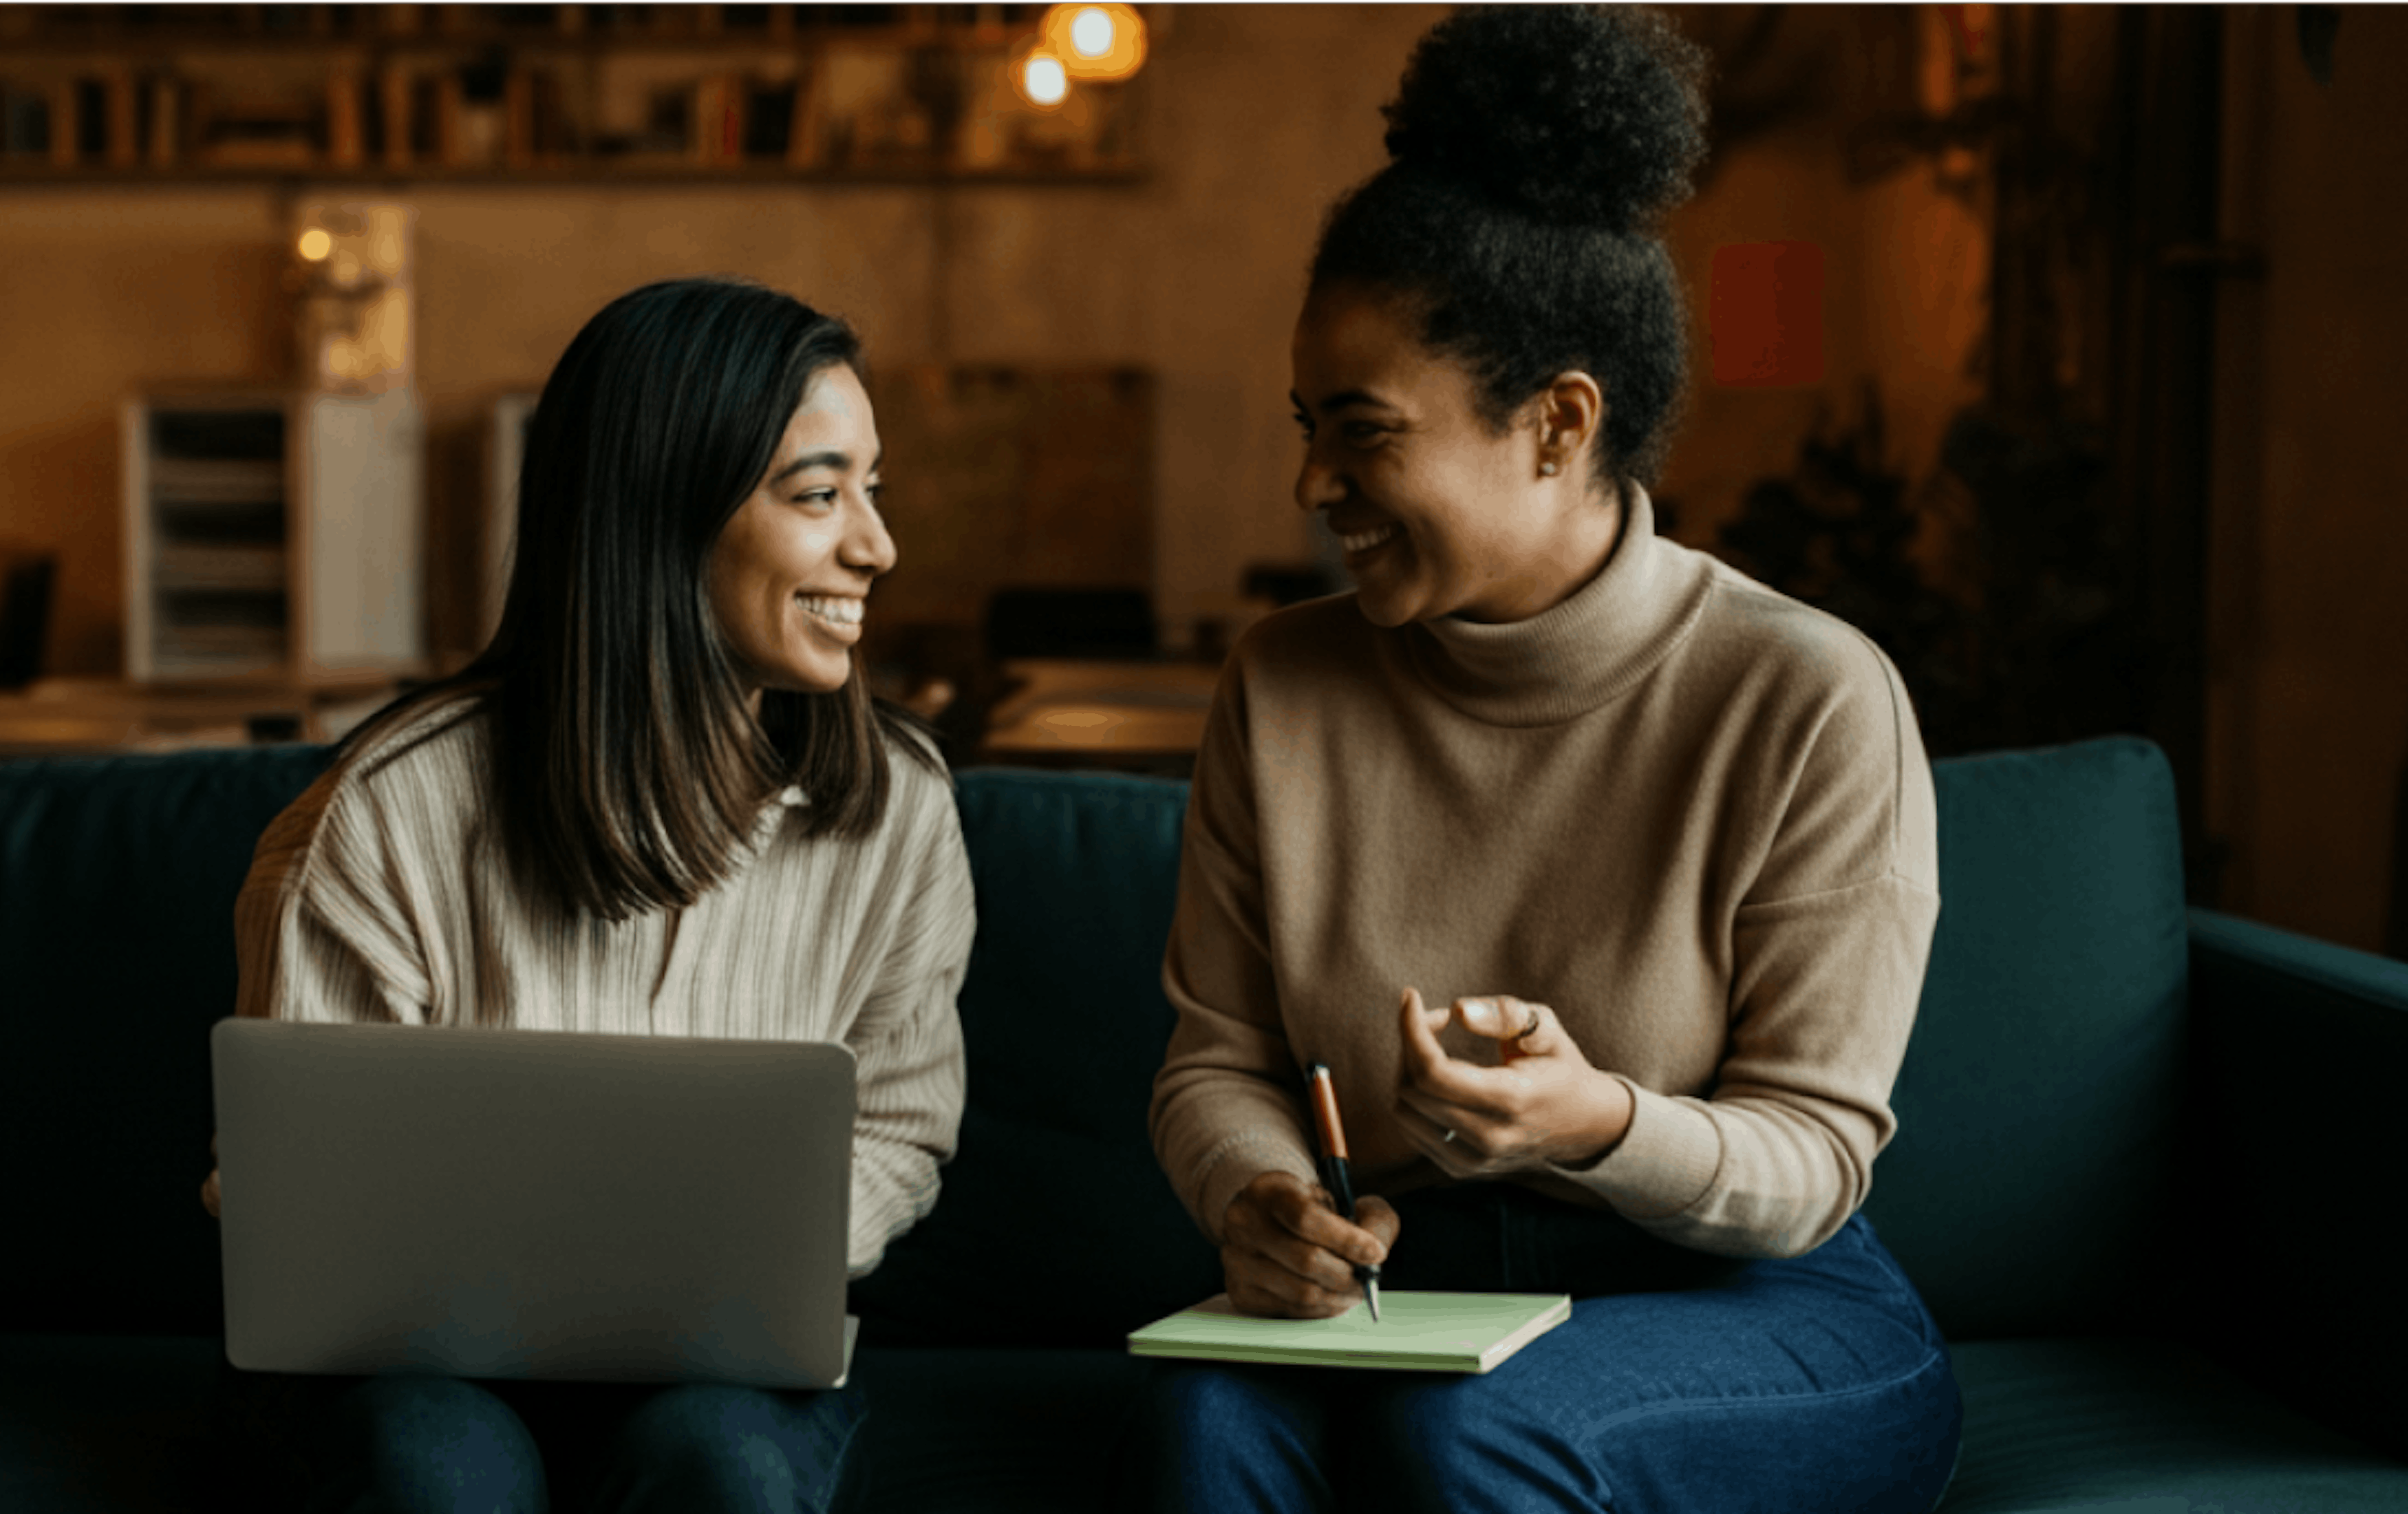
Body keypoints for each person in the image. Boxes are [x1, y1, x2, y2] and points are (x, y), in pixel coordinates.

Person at [1124, 7, 1962, 1512]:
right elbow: (1217, 1063)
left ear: (1559, 422)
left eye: (1364, 433)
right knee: (1201, 1425)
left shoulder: (1806, 694)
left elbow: (1815, 1155)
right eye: (1308, 426)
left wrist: (1601, 1122)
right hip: (1412, 1287)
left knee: (1480, 1434)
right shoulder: (1284, 682)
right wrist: (1255, 1193)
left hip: (1747, 1302)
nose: (1313, 484)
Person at [202, 276, 973, 1514]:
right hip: (414, 1372)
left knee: (720, 1467)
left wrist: (717, 1277)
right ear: (659, 518)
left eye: (869, 490)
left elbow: (898, 1122)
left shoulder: (901, 812)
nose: (877, 544)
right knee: (436, 1474)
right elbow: (297, 1188)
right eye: (823, 495)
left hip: (727, 1369)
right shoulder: (387, 813)